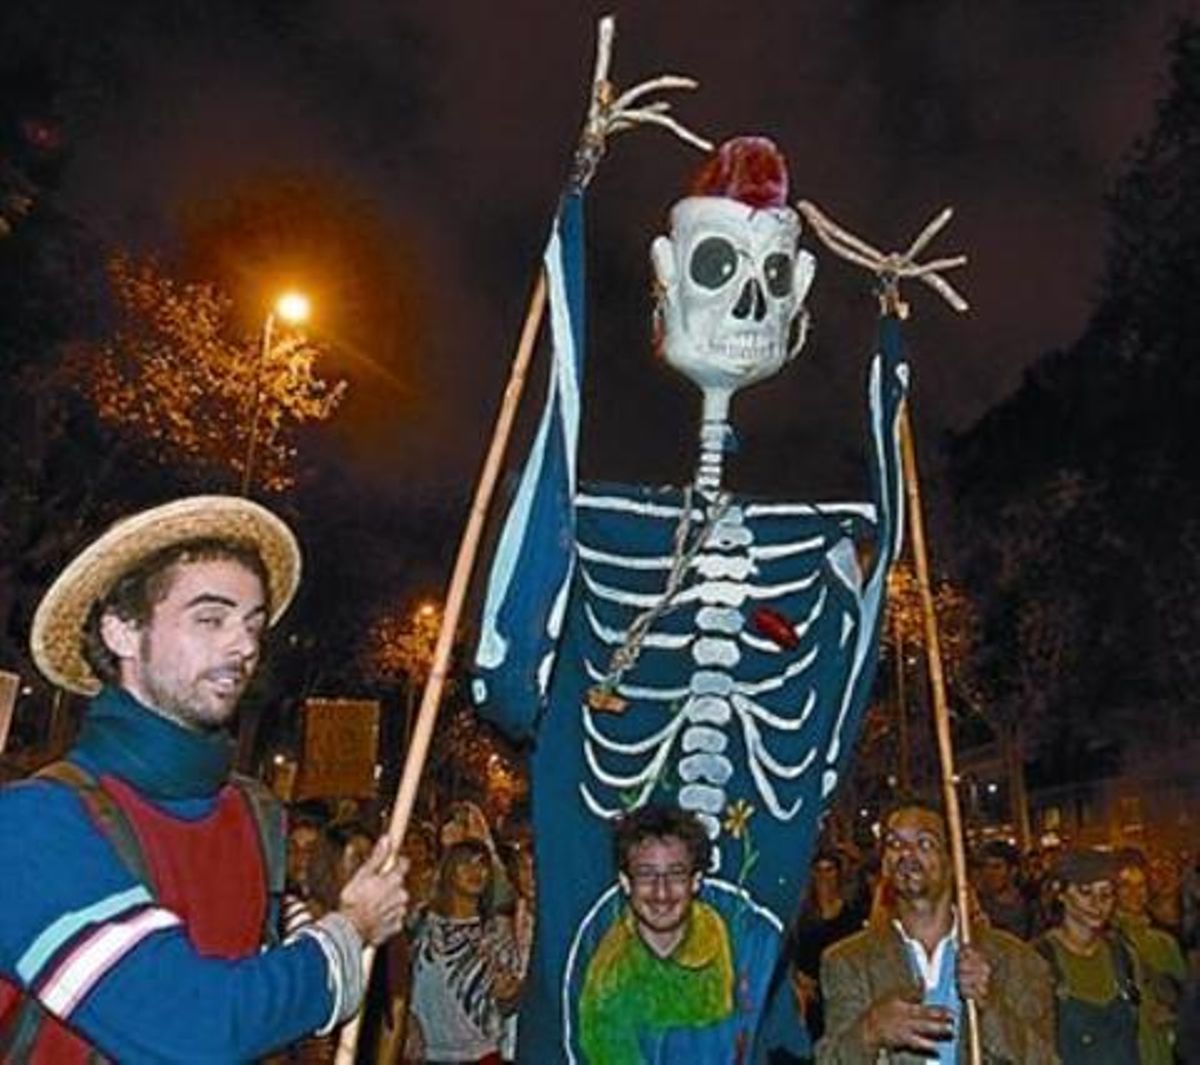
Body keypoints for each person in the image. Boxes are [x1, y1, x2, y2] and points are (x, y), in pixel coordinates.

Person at [0, 495, 409, 1061]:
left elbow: (275, 1000)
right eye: (210, 618)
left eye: (252, 624)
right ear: (122, 631)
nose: (243, 646)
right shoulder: (28, 824)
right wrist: (352, 928)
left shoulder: (257, 814)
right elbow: (192, 1029)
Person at [816, 798, 1056, 1063]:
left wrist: (991, 1006)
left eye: (925, 843)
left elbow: (1043, 1060)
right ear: (884, 864)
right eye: (895, 844)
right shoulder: (847, 961)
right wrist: (869, 1031)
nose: (907, 854)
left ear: (953, 862)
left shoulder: (1017, 961)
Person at [575, 804, 781, 1063]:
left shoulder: (750, 949)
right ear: (626, 883)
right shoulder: (607, 981)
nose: (662, 892)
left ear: (696, 880)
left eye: (676, 874)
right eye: (646, 875)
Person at [407, 838, 522, 1063]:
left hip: (481, 1054)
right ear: (449, 870)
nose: (475, 870)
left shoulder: (497, 930)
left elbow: (510, 1002)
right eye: (465, 863)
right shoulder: (419, 922)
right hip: (426, 1054)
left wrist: (509, 996)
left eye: (482, 864)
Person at [1033, 848, 1140, 1064]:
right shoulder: (1038, 959)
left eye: (1106, 894)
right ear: (1060, 894)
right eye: (1085, 892)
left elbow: (1142, 1035)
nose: (1097, 903)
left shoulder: (1123, 955)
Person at [787, 848, 866, 1042]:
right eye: (819, 870)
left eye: (829, 870)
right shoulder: (801, 917)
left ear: (838, 874)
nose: (824, 877)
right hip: (809, 1005)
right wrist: (796, 980)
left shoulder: (851, 916)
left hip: (842, 999)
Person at [1115, 853, 1187, 1064]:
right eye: (1125, 885)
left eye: (1141, 885)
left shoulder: (1164, 943)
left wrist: (1174, 1013)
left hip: (1159, 1044)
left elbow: (1186, 999)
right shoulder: (1102, 943)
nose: (1134, 893)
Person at [975, 839, 1035, 939]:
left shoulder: (1031, 906)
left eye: (996, 867)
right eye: (984, 867)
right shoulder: (978, 906)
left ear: (1013, 871)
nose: (989, 874)